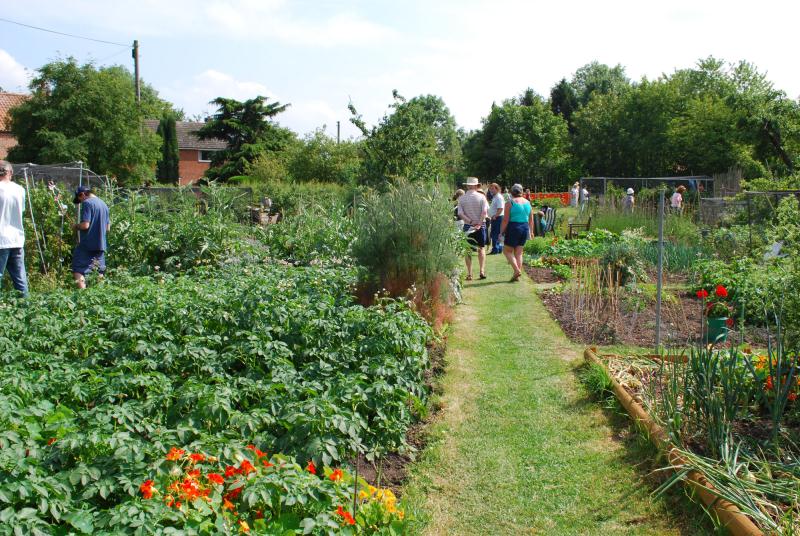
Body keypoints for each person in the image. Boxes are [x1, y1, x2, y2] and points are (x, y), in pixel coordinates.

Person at [72, 185, 110, 289]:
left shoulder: (87, 203)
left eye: (79, 199)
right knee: (99, 270)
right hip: (101, 244)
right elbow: (107, 228)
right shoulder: (104, 204)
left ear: (83, 194)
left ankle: (82, 296)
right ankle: (100, 296)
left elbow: (85, 225)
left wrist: (76, 226)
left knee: (78, 269)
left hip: (88, 244)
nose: (81, 202)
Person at [0, 161, 28, 297]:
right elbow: (21, 210)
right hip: (17, 239)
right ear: (9, 172)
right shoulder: (20, 189)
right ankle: (27, 311)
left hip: (1, 240)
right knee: (20, 279)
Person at [457, 177, 489, 281]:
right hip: (481, 225)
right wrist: (479, 223)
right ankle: (482, 271)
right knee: (481, 249)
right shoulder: (482, 197)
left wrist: (471, 222)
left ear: (467, 186)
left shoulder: (461, 198)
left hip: (467, 226)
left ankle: (470, 273)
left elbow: (460, 214)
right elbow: (484, 212)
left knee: (468, 250)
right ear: (476, 185)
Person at [500, 183, 533, 282]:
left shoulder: (510, 203)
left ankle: (516, 270)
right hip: (525, 227)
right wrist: (531, 232)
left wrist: (501, 231)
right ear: (522, 192)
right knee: (519, 253)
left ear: (511, 192)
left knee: (507, 251)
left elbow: (505, 220)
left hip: (514, 227)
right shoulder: (528, 202)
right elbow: (531, 220)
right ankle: (517, 275)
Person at [488, 183, 505, 254]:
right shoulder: (495, 197)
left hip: (498, 218)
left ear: (497, 189)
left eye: (492, 189)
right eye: (490, 189)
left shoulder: (498, 197)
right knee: (496, 234)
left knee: (495, 234)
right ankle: (498, 249)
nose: (491, 190)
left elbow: (500, 208)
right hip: (496, 217)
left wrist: (495, 216)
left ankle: (496, 249)